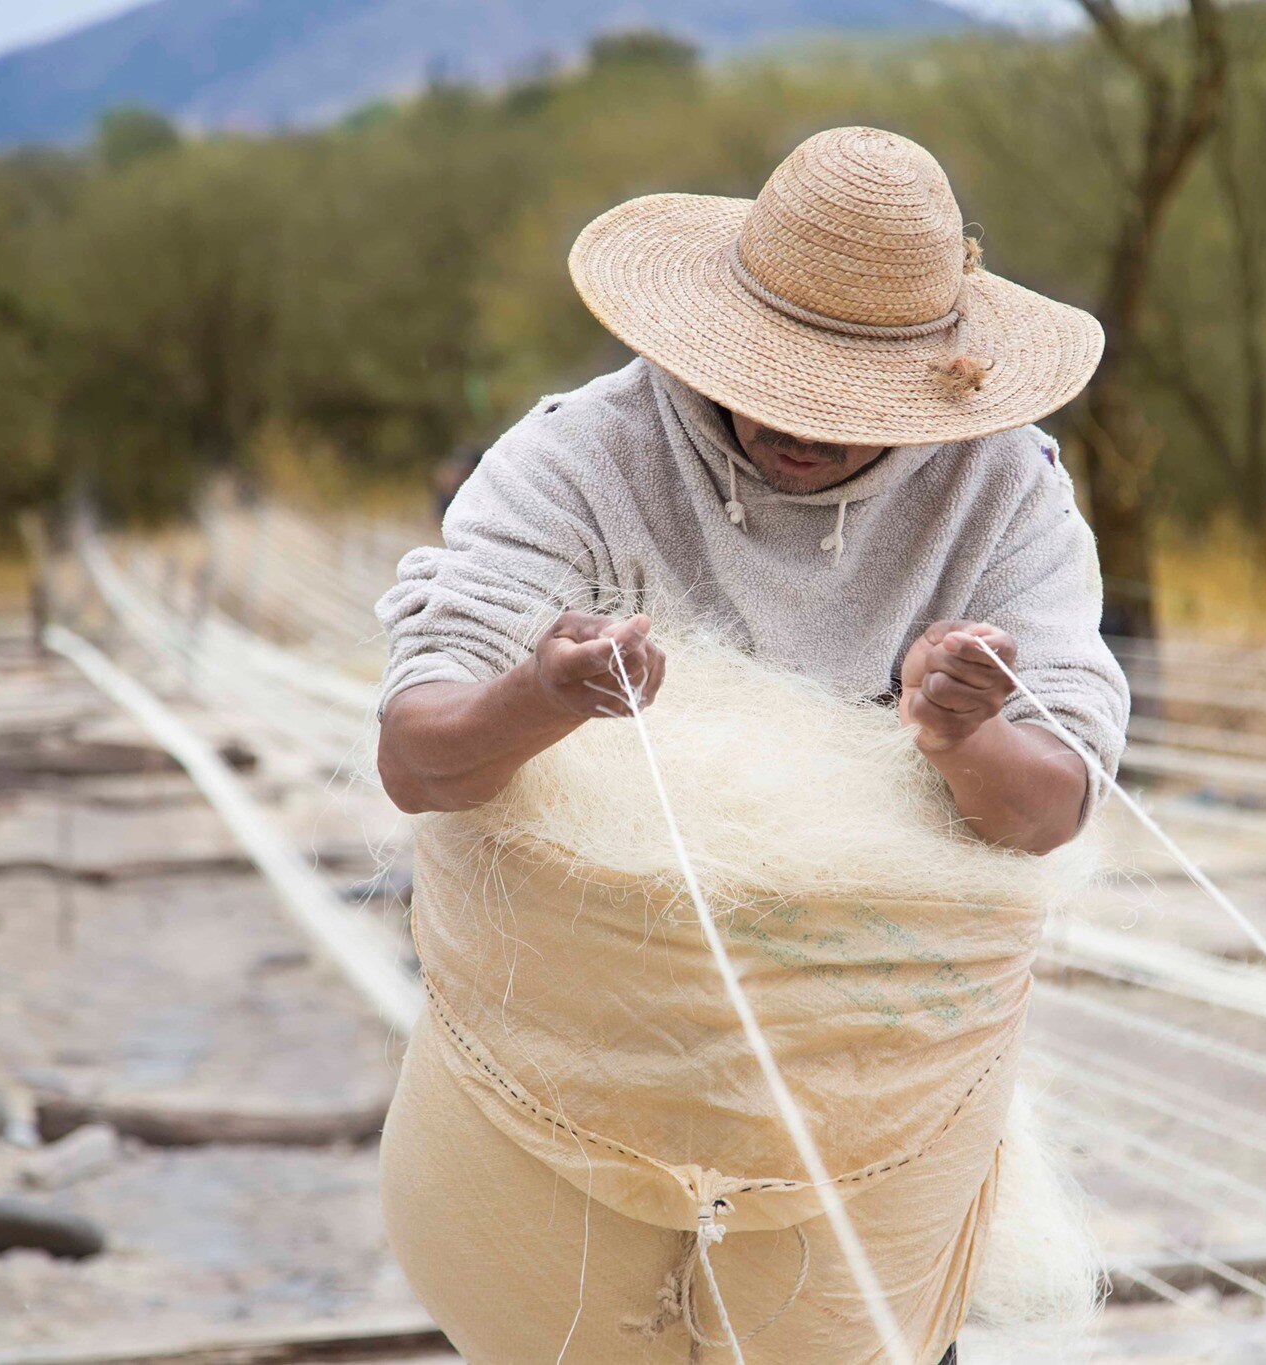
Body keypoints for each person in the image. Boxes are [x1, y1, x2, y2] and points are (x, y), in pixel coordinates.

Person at [374, 126, 1128, 1364]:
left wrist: (961, 734)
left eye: (839, 400)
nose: (797, 424)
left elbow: (1047, 811)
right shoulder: (579, 456)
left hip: (874, 1084)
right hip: (591, 1058)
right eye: (772, 377)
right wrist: (541, 699)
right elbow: (419, 756)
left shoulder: (1007, 492)